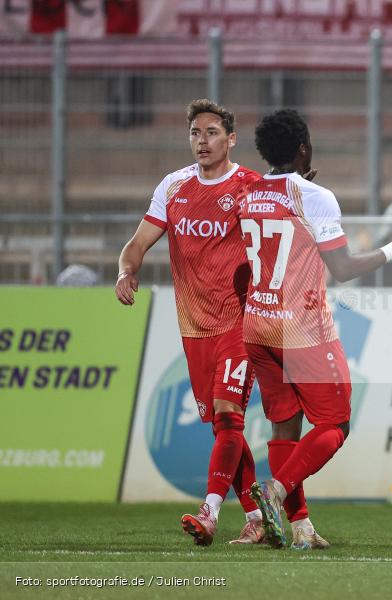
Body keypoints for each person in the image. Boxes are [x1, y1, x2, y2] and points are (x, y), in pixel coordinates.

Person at [241, 109, 392, 549]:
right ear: (304, 149)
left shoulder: (248, 192)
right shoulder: (316, 196)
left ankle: (302, 529)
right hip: (303, 327)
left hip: (257, 324)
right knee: (335, 423)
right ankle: (275, 491)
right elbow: (344, 267)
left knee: (284, 427)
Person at [115, 99, 265, 546]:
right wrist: (127, 271)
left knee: (228, 416)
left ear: (231, 139)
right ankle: (257, 517)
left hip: (241, 323)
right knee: (224, 427)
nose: (203, 140)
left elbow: (282, 232)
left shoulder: (249, 186)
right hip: (195, 327)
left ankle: (210, 512)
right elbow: (138, 242)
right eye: (196, 133)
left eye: (213, 132)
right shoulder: (173, 186)